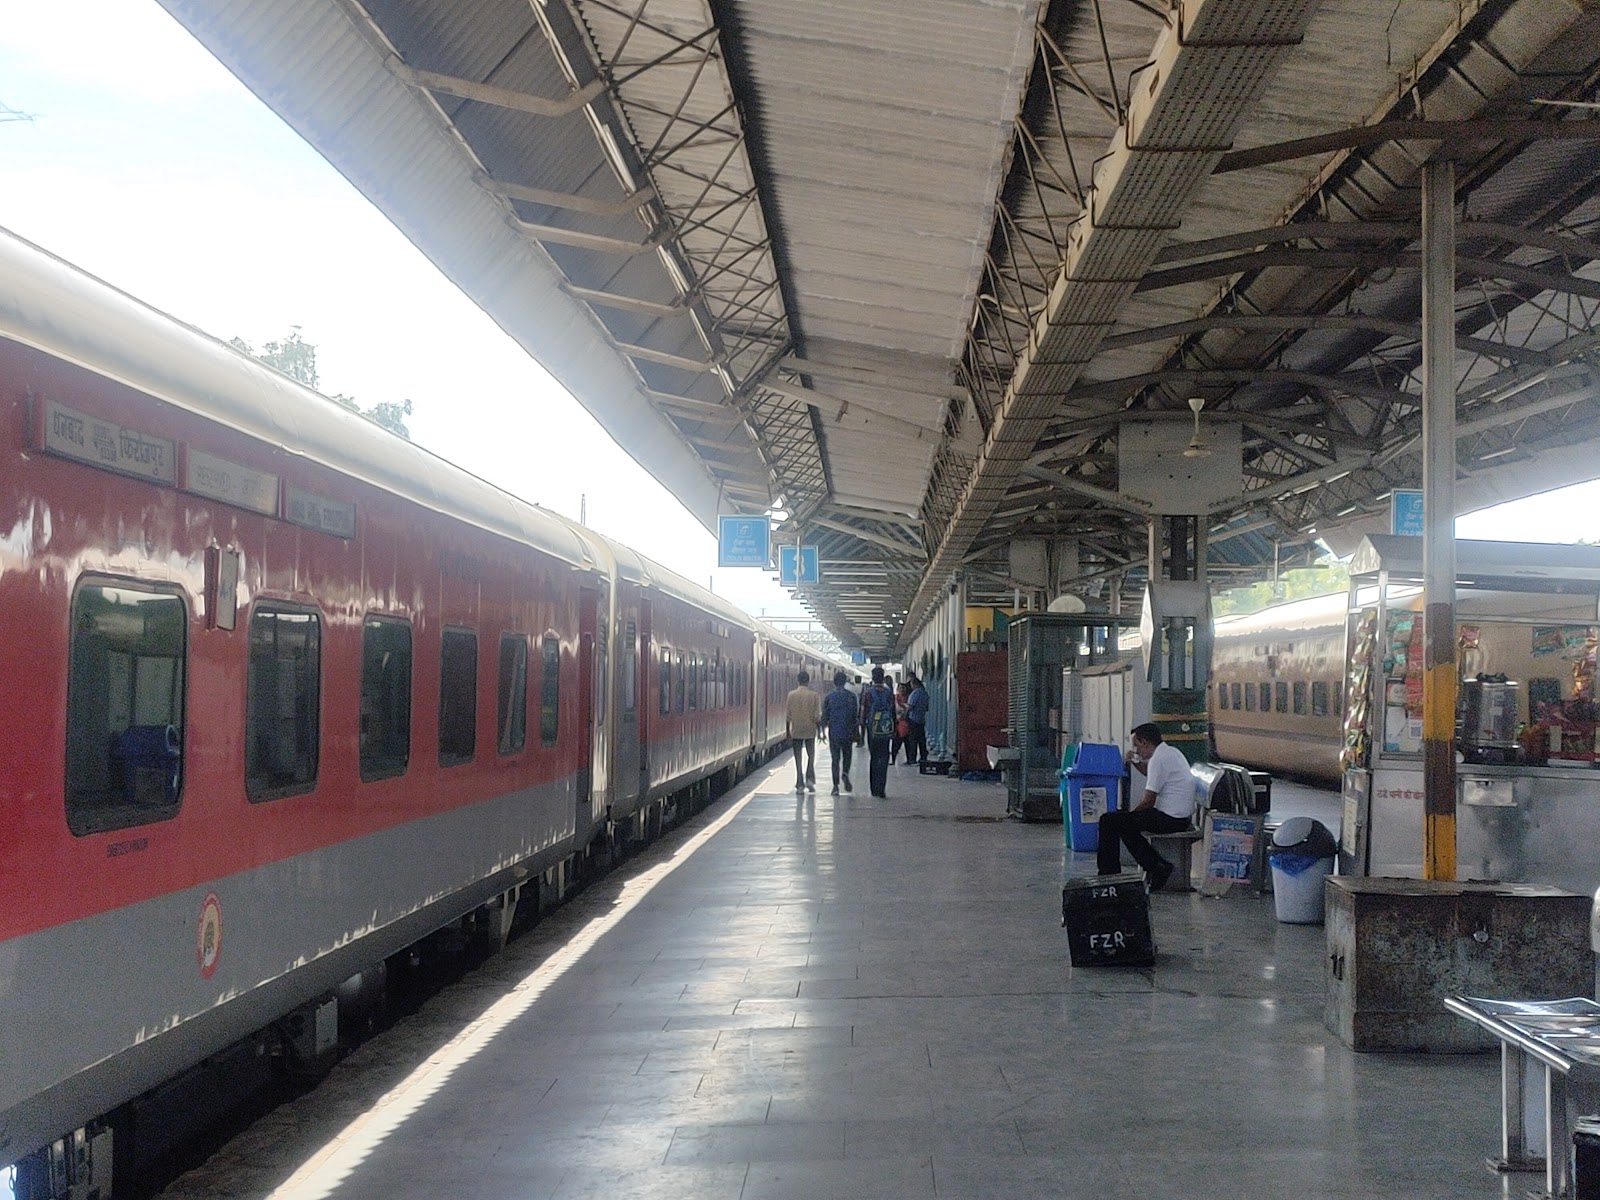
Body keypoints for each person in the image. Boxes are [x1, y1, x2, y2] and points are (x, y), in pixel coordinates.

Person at [1096, 723, 1196, 890]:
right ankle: (1155, 866)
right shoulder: (1171, 752)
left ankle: (1109, 874)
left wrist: (1130, 815)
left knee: (1108, 820)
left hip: (1170, 819)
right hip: (1180, 816)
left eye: (1136, 745)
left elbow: (1149, 800)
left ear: (1144, 742)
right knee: (1123, 824)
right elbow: (1150, 773)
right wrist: (1136, 763)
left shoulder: (1159, 759)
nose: (1136, 750)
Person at [859, 666, 896, 798]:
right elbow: (893, 711)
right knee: (884, 757)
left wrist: (862, 726)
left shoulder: (868, 693)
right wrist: (894, 729)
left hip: (872, 729)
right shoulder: (889, 693)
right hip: (885, 729)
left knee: (874, 758)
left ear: (873, 678)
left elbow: (863, 712)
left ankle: (874, 788)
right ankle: (882, 788)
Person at [820, 670, 858, 795]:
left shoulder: (829, 696)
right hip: (848, 732)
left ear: (834, 682)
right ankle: (845, 773)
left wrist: (822, 732)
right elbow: (855, 717)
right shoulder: (852, 697)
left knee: (835, 759)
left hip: (834, 732)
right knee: (847, 756)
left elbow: (825, 716)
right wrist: (856, 733)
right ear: (845, 682)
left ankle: (835, 786)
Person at [784, 670, 822, 792]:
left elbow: (788, 715)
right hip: (810, 729)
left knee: (798, 756)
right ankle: (810, 779)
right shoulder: (814, 695)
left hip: (796, 729)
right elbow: (817, 716)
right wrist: (820, 731)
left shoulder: (791, 695)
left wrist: (788, 732)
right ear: (808, 681)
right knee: (811, 755)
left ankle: (799, 783)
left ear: (798, 681)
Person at [904, 675, 929, 766]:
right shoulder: (924, 693)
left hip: (913, 719)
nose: (910, 686)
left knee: (913, 740)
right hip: (921, 719)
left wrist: (905, 713)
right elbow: (926, 708)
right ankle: (923, 757)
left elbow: (910, 706)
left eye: (911, 684)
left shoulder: (915, 693)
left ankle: (912, 759)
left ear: (914, 684)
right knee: (922, 740)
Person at [889, 679, 909, 764]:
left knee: (908, 743)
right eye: (900, 688)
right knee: (896, 742)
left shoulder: (909, 698)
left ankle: (909, 759)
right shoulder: (895, 698)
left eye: (903, 688)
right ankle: (893, 759)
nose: (902, 690)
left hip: (907, 723)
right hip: (897, 723)